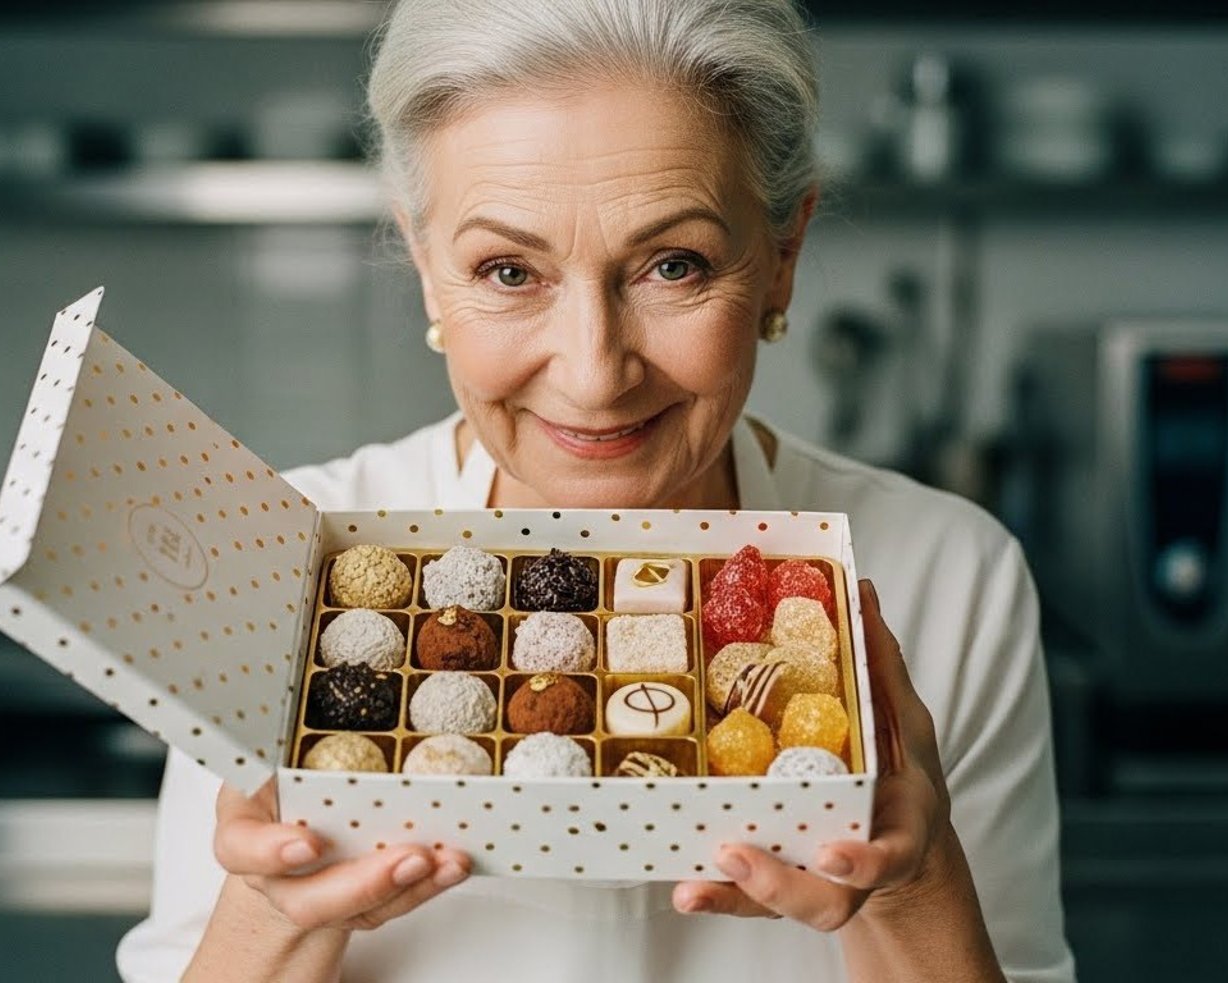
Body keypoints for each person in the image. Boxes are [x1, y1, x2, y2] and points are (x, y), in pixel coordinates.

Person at [116, 1, 1073, 979]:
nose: (593, 372)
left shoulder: (951, 575)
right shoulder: (282, 555)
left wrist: (911, 889)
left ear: (781, 259)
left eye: (672, 264)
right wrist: (280, 909)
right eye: (507, 268)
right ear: (425, 267)